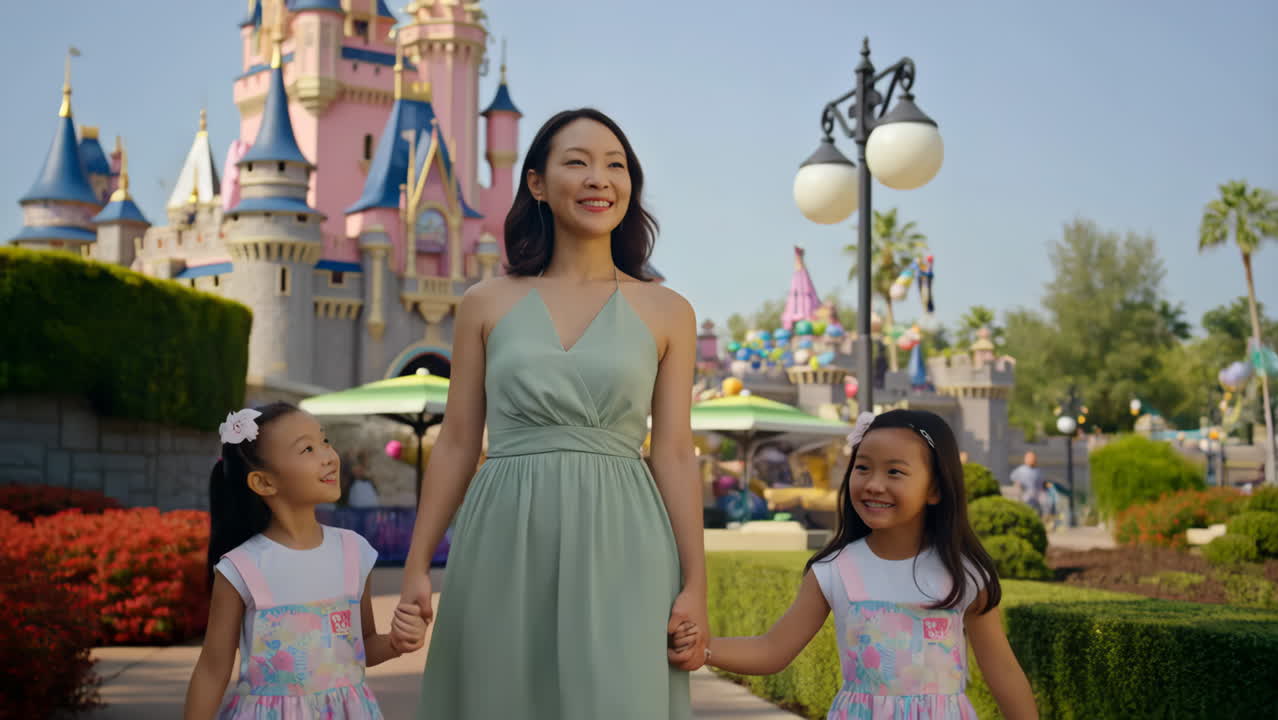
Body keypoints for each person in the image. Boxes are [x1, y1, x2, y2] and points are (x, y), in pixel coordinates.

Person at [394, 108, 707, 719]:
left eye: (615, 166)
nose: (600, 179)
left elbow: (672, 451)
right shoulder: (484, 303)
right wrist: (415, 566)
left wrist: (695, 583)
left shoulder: (670, 311)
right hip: (502, 533)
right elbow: (458, 442)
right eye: (578, 162)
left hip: (626, 538)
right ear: (536, 182)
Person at [705, 410, 1038, 719]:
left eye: (895, 471)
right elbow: (772, 650)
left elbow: (1003, 673)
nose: (874, 484)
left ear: (935, 488)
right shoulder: (834, 569)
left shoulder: (963, 574)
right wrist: (701, 649)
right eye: (863, 467)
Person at [184, 404, 428, 720]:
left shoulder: (354, 552)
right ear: (264, 483)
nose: (329, 455)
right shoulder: (241, 568)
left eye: (324, 441)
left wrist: (397, 642)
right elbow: (212, 670)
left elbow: (362, 645)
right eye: (308, 449)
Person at [1011, 451, 1042, 515]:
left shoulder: (1038, 471)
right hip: (1023, 499)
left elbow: (1040, 486)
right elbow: (1015, 481)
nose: (1031, 459)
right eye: (1029, 458)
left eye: (1033, 458)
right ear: (1025, 459)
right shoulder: (1020, 470)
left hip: (1036, 500)